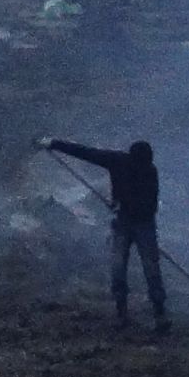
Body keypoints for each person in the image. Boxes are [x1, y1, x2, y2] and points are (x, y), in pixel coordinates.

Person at [36, 136, 168, 332]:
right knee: (119, 267)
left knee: (150, 268)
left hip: (143, 223)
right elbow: (85, 152)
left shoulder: (150, 171)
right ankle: (122, 313)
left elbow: (149, 206)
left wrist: (123, 205)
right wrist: (54, 144)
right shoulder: (119, 161)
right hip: (123, 223)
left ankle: (159, 312)